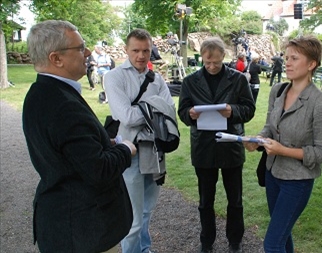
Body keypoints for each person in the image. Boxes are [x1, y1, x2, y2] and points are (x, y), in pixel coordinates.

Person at [22, 20, 137, 253]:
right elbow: (99, 170)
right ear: (56, 58)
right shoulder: (63, 105)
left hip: (66, 225)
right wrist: (125, 148)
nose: (87, 52)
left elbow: (69, 153)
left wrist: (105, 143)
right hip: (84, 231)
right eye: (80, 47)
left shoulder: (40, 93)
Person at [244, 36, 322, 253]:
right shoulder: (278, 91)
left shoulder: (320, 103)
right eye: (287, 57)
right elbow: (269, 127)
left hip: (297, 181)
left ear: (312, 64)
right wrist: (257, 140)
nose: (288, 62)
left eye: (295, 58)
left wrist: (283, 150)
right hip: (272, 174)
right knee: (283, 237)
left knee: (272, 243)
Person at [177, 36, 256, 253]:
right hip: (203, 146)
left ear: (224, 57)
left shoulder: (238, 79)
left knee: (235, 199)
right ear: (202, 57)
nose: (212, 67)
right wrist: (190, 114)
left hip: (230, 145)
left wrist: (233, 111)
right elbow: (182, 112)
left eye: (217, 62)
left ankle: (235, 240)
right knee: (205, 200)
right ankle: (206, 240)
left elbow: (249, 109)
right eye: (207, 62)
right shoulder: (190, 82)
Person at [104, 28, 175, 253]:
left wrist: (144, 110)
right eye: (135, 50)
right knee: (133, 218)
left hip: (155, 150)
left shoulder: (156, 78)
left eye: (146, 50)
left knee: (147, 211)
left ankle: (144, 249)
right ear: (126, 50)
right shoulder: (114, 77)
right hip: (130, 152)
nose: (141, 56)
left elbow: (169, 111)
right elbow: (125, 116)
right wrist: (153, 109)